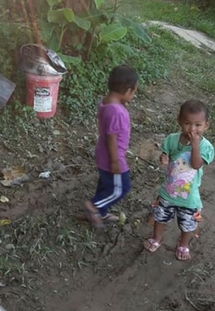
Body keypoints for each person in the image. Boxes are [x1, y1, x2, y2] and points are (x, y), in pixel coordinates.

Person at [144, 100, 214, 261]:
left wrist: (195, 146)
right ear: (179, 121)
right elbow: (167, 156)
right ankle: (157, 238)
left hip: (189, 198)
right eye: (187, 123)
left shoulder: (205, 147)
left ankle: (183, 244)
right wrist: (164, 159)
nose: (192, 129)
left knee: (188, 224)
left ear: (206, 126)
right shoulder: (172, 139)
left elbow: (196, 165)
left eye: (198, 125)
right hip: (168, 191)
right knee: (160, 216)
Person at [83, 65, 138, 228]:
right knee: (121, 188)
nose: (133, 95)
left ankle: (101, 212)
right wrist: (115, 162)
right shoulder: (117, 111)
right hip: (112, 157)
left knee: (106, 184)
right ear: (127, 90)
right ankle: (94, 206)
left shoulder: (106, 102)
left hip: (103, 153)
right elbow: (111, 138)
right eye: (134, 91)